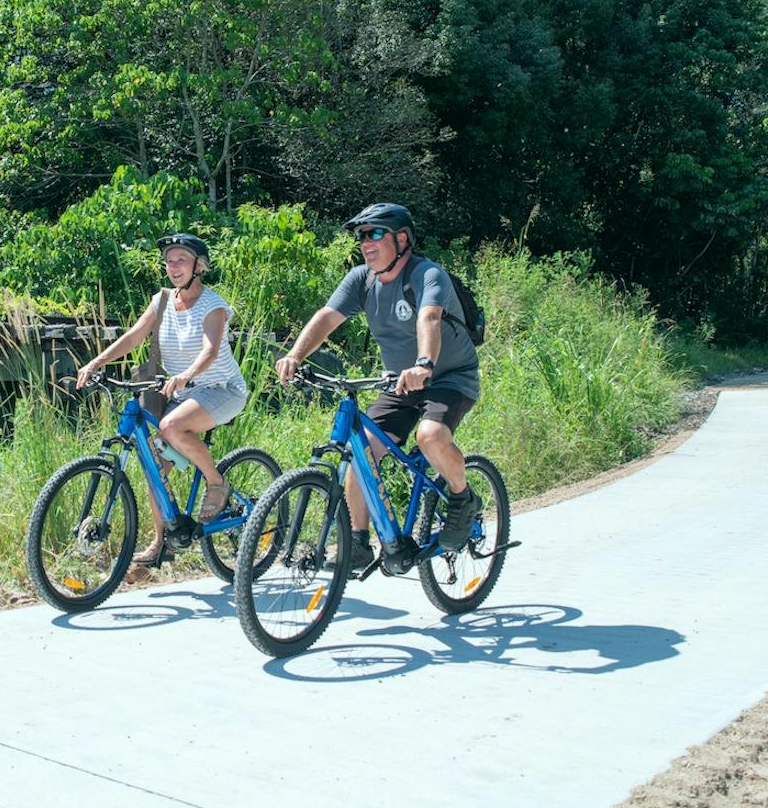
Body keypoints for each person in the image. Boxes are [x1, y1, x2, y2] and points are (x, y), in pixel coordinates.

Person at [273, 203, 483, 573]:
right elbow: (327, 317)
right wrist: (295, 355)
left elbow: (429, 318)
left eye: (374, 234)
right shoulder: (361, 280)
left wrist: (423, 364)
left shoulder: (427, 274)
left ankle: (462, 498)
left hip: (449, 376)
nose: (365, 244)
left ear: (402, 239)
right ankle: (357, 542)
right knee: (360, 449)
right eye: (361, 236)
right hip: (400, 382)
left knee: (430, 437)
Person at [75, 233, 251, 567]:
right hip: (182, 392)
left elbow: (210, 350)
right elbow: (133, 336)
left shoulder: (212, 305)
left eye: (182, 259)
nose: (174, 267)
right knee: (154, 466)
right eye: (170, 261)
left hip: (221, 389)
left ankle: (217, 484)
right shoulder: (162, 300)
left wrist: (187, 374)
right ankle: (162, 543)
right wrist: (96, 362)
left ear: (199, 266)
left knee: (170, 426)